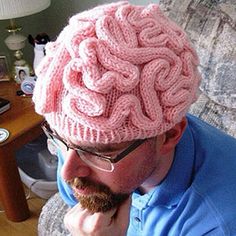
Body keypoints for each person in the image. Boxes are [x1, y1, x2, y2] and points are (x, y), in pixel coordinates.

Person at [33, 2, 236, 235]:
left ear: (169, 135)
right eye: (60, 139)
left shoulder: (220, 223)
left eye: (99, 152)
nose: (66, 173)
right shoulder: (77, 138)